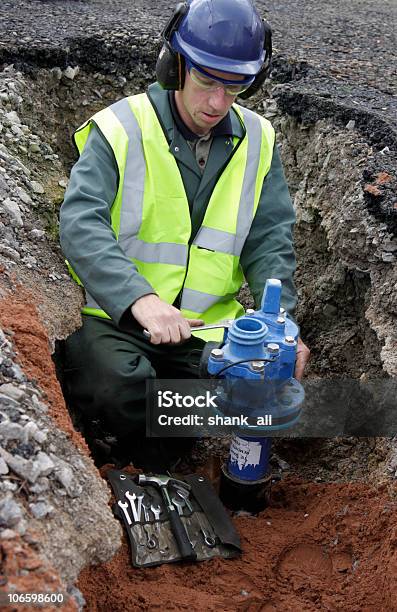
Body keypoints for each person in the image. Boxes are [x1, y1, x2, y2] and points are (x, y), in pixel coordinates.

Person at [60, 0, 310, 468]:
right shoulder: (122, 127)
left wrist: (282, 329)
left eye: (235, 86)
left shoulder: (258, 139)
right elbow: (81, 222)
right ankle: (131, 457)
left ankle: (177, 451)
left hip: (205, 328)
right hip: (118, 318)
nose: (218, 103)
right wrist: (140, 299)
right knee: (119, 387)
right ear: (174, 67)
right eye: (207, 80)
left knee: (246, 387)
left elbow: (270, 238)